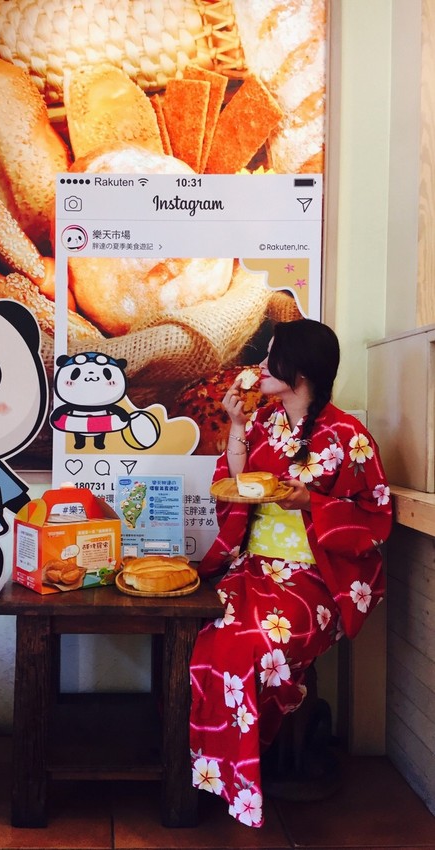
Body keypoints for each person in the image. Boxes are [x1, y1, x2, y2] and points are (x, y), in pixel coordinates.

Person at [189, 319, 393, 828]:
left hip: (314, 577)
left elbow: (375, 515)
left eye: (271, 356)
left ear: (299, 370)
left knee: (255, 644)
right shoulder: (263, 421)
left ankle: (242, 767)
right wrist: (237, 426)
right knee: (208, 638)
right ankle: (213, 772)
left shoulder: (348, 435)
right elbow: (238, 486)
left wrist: (312, 503)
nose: (260, 366)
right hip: (252, 567)